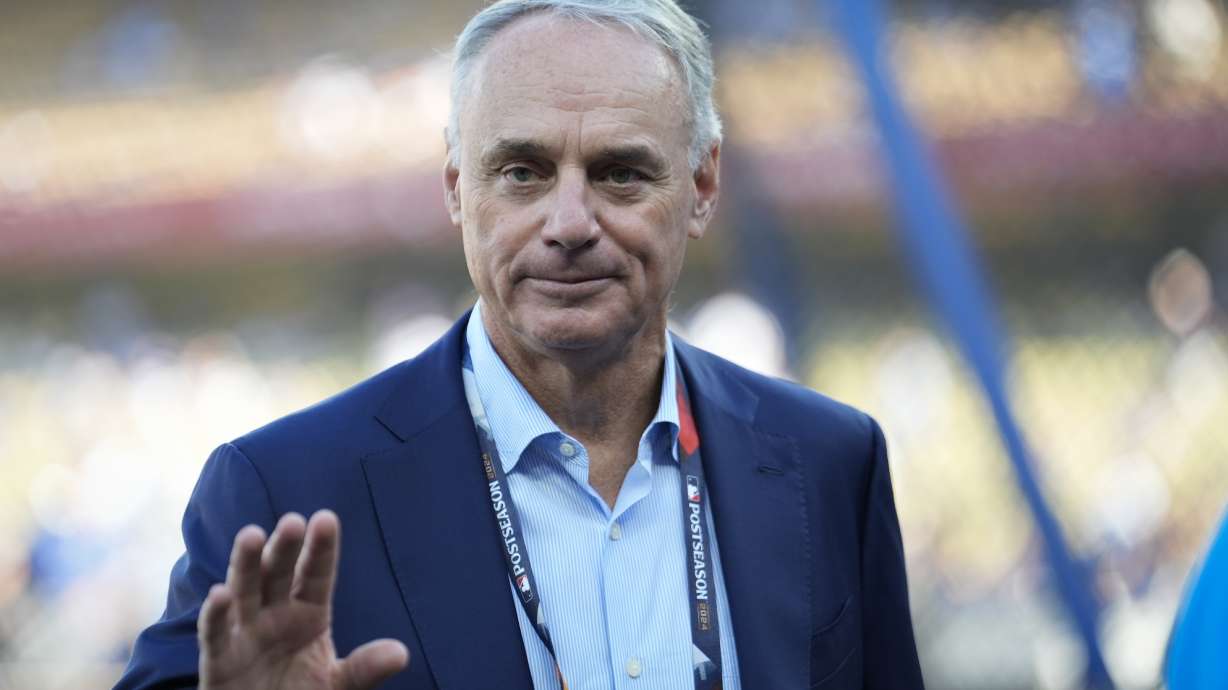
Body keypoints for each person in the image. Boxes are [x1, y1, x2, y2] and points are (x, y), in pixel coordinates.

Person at [116, 1, 924, 688]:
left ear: (703, 186)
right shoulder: (282, 492)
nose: (569, 225)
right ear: (456, 187)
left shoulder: (827, 462)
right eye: (523, 173)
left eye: (620, 174)